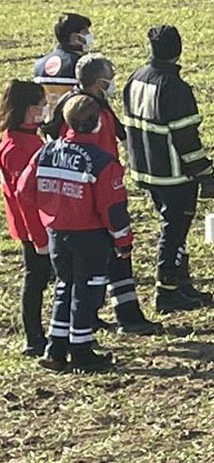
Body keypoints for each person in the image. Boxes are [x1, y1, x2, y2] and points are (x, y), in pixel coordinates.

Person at [21, 94, 130, 372]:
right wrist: (123, 241)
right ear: (97, 123)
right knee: (87, 291)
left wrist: (50, 209)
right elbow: (113, 208)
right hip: (90, 236)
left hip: (57, 233)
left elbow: (24, 190)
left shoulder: (46, 151)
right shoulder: (102, 161)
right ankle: (82, 350)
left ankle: (56, 348)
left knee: (64, 287)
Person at [53, 54, 160, 333]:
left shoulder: (72, 104)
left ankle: (90, 317)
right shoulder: (93, 112)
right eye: (110, 76)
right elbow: (103, 149)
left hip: (80, 197)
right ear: (100, 81)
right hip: (99, 194)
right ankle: (126, 316)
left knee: (91, 269)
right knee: (117, 257)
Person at [122, 26, 214, 314]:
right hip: (174, 174)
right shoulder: (175, 87)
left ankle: (180, 282)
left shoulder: (136, 78)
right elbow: (186, 138)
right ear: (179, 49)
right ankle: (167, 290)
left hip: (146, 170)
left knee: (173, 227)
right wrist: (205, 171)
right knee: (174, 231)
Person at [2, 80, 52, 358]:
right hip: (32, 228)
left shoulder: (29, 135)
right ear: (27, 108)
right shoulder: (15, 148)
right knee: (36, 278)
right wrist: (39, 238)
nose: (44, 109)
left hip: (42, 224)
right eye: (40, 105)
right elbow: (25, 199)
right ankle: (33, 337)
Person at [31, 12, 93, 103]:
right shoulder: (83, 64)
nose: (89, 35)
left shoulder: (39, 64)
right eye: (86, 32)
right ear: (76, 38)